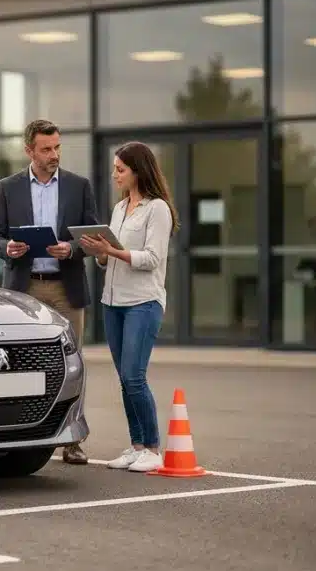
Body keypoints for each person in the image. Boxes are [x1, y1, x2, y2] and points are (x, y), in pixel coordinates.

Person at [0, 118, 99, 465]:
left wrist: (72, 248)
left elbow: (93, 239)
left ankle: (72, 440)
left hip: (66, 288)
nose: (54, 155)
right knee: (20, 364)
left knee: (73, 364)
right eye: (46, 149)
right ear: (29, 150)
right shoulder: (9, 187)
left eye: (57, 147)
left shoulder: (79, 186)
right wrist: (9, 249)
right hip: (25, 290)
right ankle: (22, 434)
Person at [79, 141, 178, 473]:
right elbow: (111, 262)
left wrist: (115, 251)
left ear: (138, 171)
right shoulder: (120, 209)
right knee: (124, 379)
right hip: (113, 303)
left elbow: (151, 259)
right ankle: (137, 447)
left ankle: (152, 448)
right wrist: (100, 252)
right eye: (114, 168)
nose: (114, 174)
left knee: (135, 376)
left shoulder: (158, 209)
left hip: (143, 304)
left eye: (120, 169)